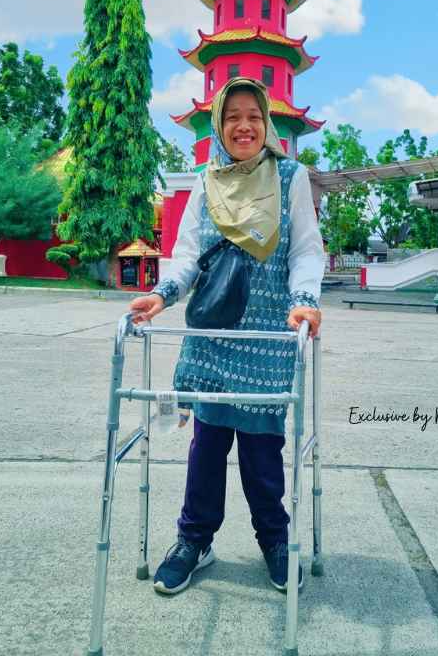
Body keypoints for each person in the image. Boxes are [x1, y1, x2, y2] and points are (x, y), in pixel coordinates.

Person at [129, 76, 324, 595]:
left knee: (263, 451)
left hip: (267, 338)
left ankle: (274, 541)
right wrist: (163, 294)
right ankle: (194, 540)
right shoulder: (205, 180)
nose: (244, 126)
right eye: (233, 116)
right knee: (207, 446)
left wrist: (304, 301)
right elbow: (187, 251)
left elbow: (306, 248)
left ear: (267, 124)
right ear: (219, 124)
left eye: (254, 116)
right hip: (213, 334)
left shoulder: (290, 177)